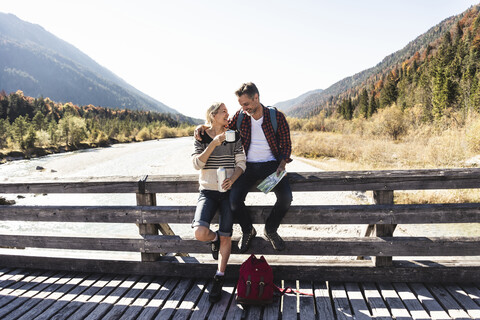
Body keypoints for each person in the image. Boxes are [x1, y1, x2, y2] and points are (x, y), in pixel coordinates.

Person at [228, 82, 293, 253]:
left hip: (272, 165)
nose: (244, 108)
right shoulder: (240, 116)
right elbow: (224, 128)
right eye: (241, 105)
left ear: (256, 98)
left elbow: (286, 144)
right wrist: (201, 128)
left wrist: (282, 164)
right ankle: (248, 230)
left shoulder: (275, 116)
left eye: (246, 104)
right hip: (246, 166)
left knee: (286, 198)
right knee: (234, 200)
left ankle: (270, 229)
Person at [191, 102, 246, 303]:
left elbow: (241, 163)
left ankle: (219, 277)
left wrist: (233, 179)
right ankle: (213, 240)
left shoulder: (234, 135)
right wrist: (213, 143)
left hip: (228, 193)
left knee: (226, 237)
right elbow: (197, 164)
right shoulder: (201, 135)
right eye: (224, 111)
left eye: (227, 112)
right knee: (199, 232)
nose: (227, 114)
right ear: (213, 115)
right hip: (207, 191)